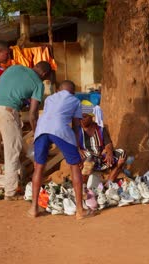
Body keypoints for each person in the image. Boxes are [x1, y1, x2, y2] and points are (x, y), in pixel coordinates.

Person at [0, 62, 51, 201]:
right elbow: (33, 114)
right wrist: (36, 132)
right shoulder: (38, 84)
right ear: (44, 74)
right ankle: (10, 192)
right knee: (12, 152)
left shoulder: (14, 68)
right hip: (7, 111)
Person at [28, 80, 95, 219]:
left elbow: (47, 116)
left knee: (39, 167)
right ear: (73, 92)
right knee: (75, 167)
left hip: (41, 130)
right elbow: (76, 126)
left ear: (58, 90)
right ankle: (79, 210)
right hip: (60, 130)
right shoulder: (75, 101)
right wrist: (77, 148)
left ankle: (33, 209)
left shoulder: (50, 98)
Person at [78, 104, 126, 183]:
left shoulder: (100, 129)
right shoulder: (77, 130)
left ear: (91, 116)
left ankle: (108, 184)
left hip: (100, 158)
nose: (82, 120)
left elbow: (108, 143)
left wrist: (109, 152)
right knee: (89, 159)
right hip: (86, 158)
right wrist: (77, 149)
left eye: (84, 117)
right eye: (80, 118)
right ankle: (83, 186)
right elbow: (71, 144)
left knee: (122, 155)